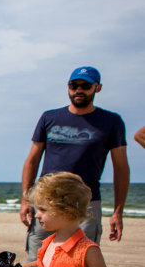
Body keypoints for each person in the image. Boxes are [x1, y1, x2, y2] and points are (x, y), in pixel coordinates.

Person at [20, 66, 128, 255]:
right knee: (36, 265)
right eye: (73, 85)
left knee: (81, 265)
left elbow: (120, 168)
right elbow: (32, 160)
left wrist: (118, 212)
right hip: (47, 200)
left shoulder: (111, 121)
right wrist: (25, 200)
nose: (78, 90)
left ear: (97, 88)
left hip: (85, 204)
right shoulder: (49, 117)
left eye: (85, 85)